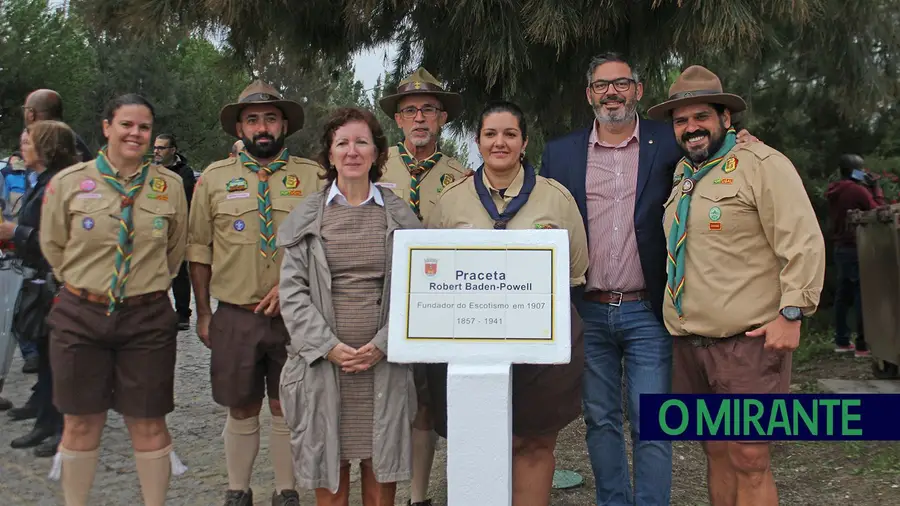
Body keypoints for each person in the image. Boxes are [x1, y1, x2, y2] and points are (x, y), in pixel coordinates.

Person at [539, 52, 760, 506]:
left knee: (652, 420)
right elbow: (538, 207)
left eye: (621, 83)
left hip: (649, 308)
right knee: (600, 420)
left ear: (638, 90)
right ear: (589, 95)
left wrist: (743, 143)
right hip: (588, 307)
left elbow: (715, 154)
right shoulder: (560, 153)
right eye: (601, 85)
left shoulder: (671, 139)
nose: (611, 92)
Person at [647, 65, 826, 506]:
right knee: (717, 449)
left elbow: (801, 239)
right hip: (693, 342)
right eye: (681, 120)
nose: (691, 128)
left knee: (750, 455)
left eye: (701, 117)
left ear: (726, 118)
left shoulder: (762, 165)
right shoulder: (684, 175)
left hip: (747, 342)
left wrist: (792, 312)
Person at [425, 101, 588, 506]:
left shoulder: (557, 199)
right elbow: (433, 272)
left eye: (510, 134)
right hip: (470, 347)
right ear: (478, 142)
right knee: (480, 446)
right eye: (491, 134)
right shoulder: (451, 202)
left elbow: (576, 268)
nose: (500, 142)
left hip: (539, 344)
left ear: (524, 142)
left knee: (534, 443)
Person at [40, 94, 190, 506]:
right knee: (81, 423)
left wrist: (141, 285)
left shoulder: (170, 186)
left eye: (144, 127)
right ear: (107, 127)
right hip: (80, 315)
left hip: (146, 317)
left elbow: (174, 252)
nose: (135, 134)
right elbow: (53, 246)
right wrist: (88, 286)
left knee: (149, 423)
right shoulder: (70, 183)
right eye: (126, 124)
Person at [188, 80, 322, 506]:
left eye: (269, 118)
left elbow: (323, 246)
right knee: (241, 405)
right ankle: (238, 489)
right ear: (240, 129)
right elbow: (198, 249)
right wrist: (204, 313)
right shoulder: (213, 178)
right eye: (252, 120)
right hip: (236, 313)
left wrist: (290, 288)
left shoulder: (314, 177)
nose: (261, 127)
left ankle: (286, 490)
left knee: (288, 405)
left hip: (295, 314)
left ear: (284, 124)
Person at [278, 106, 421, 506]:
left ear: (377, 153)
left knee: (381, 478)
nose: (352, 151)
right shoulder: (307, 217)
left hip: (383, 366)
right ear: (329, 154)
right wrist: (327, 346)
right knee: (332, 478)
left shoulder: (401, 217)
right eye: (343, 143)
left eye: (362, 142)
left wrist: (383, 343)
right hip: (325, 367)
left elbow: (418, 292)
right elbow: (292, 292)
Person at [375, 66, 469, 506]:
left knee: (429, 403)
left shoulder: (463, 175)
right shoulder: (373, 169)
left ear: (443, 118)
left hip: (438, 307)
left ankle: (419, 496)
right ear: (397, 120)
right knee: (384, 402)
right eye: (409, 110)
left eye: (428, 110)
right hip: (380, 303)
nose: (418, 119)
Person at [2, 121, 79, 458]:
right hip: (37, 280)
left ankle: (63, 427)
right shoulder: (38, 181)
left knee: (61, 361)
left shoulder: (59, 185)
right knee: (47, 359)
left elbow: (57, 240)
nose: (23, 146)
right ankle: (46, 420)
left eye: (29, 141)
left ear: (46, 146)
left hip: (56, 283)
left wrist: (12, 231)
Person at [825, 154, 885, 357]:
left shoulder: (836, 190)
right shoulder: (857, 190)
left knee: (844, 296)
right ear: (855, 170)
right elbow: (878, 211)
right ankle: (862, 344)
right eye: (862, 169)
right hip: (857, 246)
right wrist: (876, 189)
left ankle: (842, 341)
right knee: (863, 295)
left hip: (841, 248)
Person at [153, 133, 196, 330]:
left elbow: (183, 198)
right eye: (155, 148)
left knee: (179, 270)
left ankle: (182, 313)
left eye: (161, 148)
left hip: (178, 225)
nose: (157, 151)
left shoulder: (184, 172)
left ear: (172, 150)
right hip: (154, 224)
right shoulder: (150, 171)